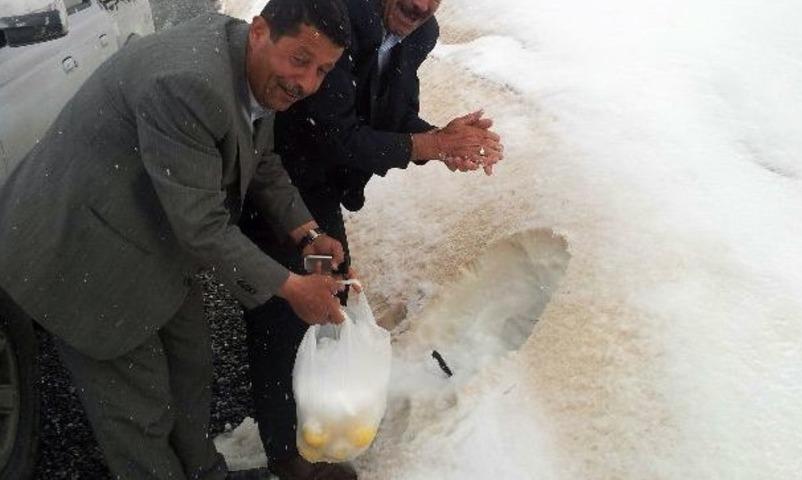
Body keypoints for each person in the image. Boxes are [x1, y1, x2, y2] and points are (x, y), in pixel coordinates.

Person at [0, 1, 353, 478]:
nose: (307, 83)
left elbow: (259, 156)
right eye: (300, 60)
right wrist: (292, 288)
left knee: (191, 369)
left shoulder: (250, 67)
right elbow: (203, 225)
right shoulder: (188, 84)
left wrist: (306, 232)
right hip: (84, 249)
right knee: (139, 411)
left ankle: (206, 473)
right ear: (260, 31)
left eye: (323, 70)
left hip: (154, 235)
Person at [239, 1, 504, 478]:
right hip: (273, 177)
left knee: (327, 291)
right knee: (283, 310)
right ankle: (285, 453)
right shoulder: (335, 17)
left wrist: (444, 139)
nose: (420, 4)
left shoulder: (419, 33)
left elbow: (393, 116)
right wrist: (431, 145)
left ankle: (311, 407)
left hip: (318, 188)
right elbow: (331, 134)